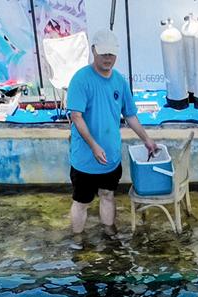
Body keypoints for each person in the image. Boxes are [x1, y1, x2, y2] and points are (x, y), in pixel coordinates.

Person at [66, 29, 160, 237]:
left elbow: (130, 115)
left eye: (111, 54)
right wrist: (93, 145)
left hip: (110, 155)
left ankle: (109, 234)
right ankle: (78, 240)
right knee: (81, 201)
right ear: (93, 51)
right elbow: (76, 116)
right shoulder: (80, 80)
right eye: (103, 53)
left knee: (108, 194)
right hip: (85, 158)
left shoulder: (119, 81)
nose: (108, 58)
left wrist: (147, 139)